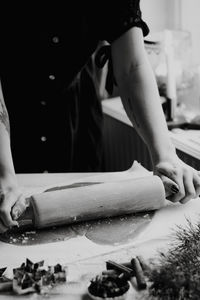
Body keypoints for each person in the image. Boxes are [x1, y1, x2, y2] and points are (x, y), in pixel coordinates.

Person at [0, 1, 200, 233]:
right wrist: (3, 172)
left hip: (74, 114)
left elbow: (132, 67)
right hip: (11, 113)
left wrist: (165, 155)